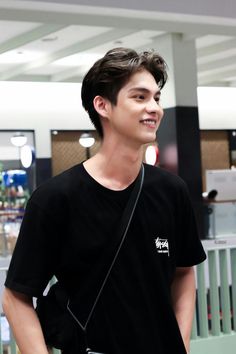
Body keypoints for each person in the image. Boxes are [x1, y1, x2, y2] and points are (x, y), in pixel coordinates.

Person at [2, 47, 206, 354]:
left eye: (157, 98)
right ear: (103, 105)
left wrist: (182, 343)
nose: (154, 108)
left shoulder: (171, 191)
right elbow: (16, 297)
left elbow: (183, 271)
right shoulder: (56, 199)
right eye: (140, 97)